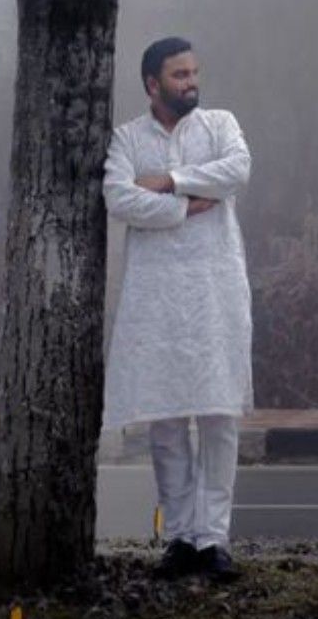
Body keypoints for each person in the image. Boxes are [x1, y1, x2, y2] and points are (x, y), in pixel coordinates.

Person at [103, 36, 253, 582]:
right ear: (152, 84)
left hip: (215, 290)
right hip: (156, 298)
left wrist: (169, 183)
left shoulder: (219, 126)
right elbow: (119, 198)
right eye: (179, 75)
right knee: (166, 421)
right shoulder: (126, 139)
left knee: (218, 416)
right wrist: (189, 208)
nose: (191, 82)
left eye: (194, 72)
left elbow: (237, 170)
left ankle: (214, 540)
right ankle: (180, 540)